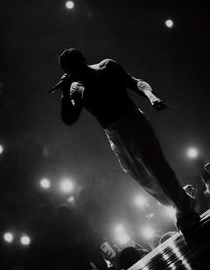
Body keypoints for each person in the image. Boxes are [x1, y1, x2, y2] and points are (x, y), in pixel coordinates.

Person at [58, 48, 200, 236]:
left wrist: (152, 97)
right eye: (70, 71)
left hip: (132, 121)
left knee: (156, 167)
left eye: (75, 68)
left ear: (83, 61)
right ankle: (181, 200)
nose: (74, 74)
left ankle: (184, 212)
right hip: (113, 135)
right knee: (142, 179)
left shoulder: (106, 67)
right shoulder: (76, 88)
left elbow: (136, 83)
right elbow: (69, 118)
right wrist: (64, 95)